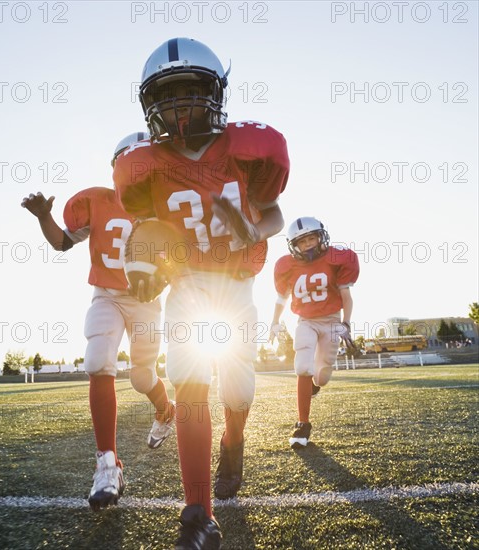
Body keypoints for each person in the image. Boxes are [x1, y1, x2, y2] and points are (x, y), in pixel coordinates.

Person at [114, 38, 289, 549]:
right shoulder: (141, 163)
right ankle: (198, 515)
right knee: (190, 386)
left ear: (214, 94)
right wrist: (141, 262)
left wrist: (252, 232)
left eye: (189, 91)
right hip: (187, 288)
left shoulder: (248, 149)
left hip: (236, 286)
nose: (178, 105)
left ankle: (233, 441)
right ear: (150, 106)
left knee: (238, 394)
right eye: (166, 96)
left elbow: (274, 212)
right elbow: (146, 227)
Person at [21, 132, 175, 511]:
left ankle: (165, 409)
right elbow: (61, 242)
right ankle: (108, 465)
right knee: (97, 360)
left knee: (141, 376)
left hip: (145, 302)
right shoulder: (98, 202)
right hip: (106, 294)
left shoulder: (168, 207)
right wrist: (45, 217)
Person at [269, 217, 359, 449]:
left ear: (321, 237)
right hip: (306, 321)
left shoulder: (336, 259)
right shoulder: (287, 266)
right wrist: (274, 322)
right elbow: (281, 299)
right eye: (302, 241)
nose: (308, 244)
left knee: (322, 376)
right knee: (302, 365)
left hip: (330, 321)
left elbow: (346, 296)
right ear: (293, 246)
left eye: (312, 238)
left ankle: (315, 385)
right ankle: (303, 424)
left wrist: (346, 323)